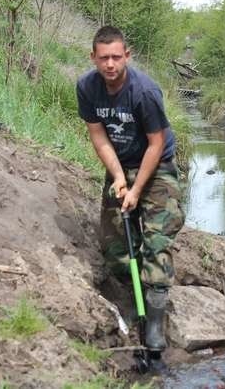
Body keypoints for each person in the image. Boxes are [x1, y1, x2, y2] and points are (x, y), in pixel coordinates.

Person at [76, 25, 185, 351]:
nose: (110, 64)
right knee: (114, 246)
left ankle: (154, 323)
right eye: (103, 58)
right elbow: (98, 136)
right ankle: (130, 302)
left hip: (157, 167)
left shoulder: (145, 92)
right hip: (121, 165)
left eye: (116, 57)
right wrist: (119, 177)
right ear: (93, 57)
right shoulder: (87, 87)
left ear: (127, 55)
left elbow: (156, 144)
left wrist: (136, 190)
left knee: (156, 239)